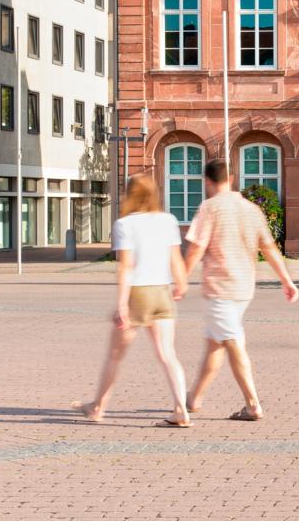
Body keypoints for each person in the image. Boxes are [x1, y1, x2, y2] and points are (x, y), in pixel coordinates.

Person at [183, 159, 299, 421]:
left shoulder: (209, 208)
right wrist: (286, 280)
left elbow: (197, 247)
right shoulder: (251, 209)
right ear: (231, 179)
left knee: (232, 342)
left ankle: (252, 404)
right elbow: (268, 247)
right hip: (244, 287)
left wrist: (181, 279)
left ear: (207, 181)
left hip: (220, 287)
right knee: (215, 343)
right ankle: (194, 398)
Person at [75, 177, 190, 427]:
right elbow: (176, 259)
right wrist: (182, 283)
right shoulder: (168, 220)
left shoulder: (124, 224)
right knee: (168, 354)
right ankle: (181, 410)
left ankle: (97, 407)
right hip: (162, 291)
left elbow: (126, 267)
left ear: (129, 194)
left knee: (115, 355)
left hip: (138, 293)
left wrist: (121, 304)